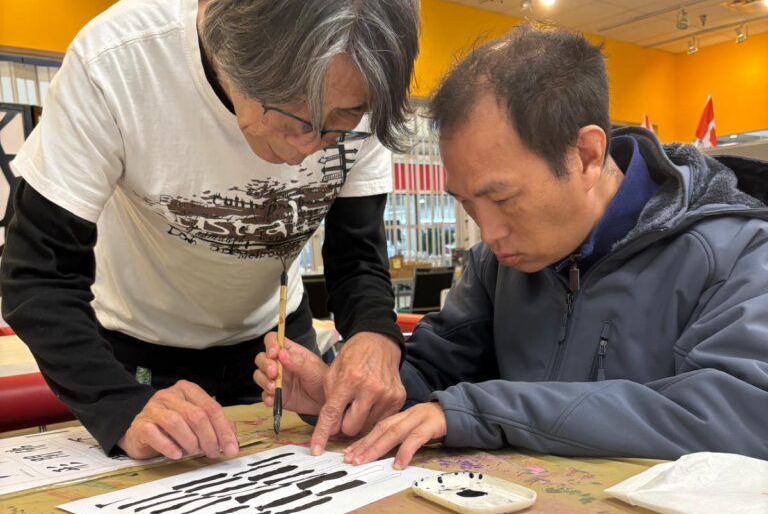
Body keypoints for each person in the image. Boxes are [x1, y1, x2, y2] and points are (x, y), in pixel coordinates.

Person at [1, 0, 419, 461]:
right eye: (295, 118)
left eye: (339, 125)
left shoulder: (358, 88)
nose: (307, 152)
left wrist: (374, 334)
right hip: (134, 349)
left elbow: (357, 255)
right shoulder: (119, 62)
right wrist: (118, 405)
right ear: (233, 51)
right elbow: (36, 275)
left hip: (277, 342)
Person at [256, 24, 768, 464]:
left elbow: (739, 412)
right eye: (468, 205)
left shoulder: (738, 250)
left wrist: (485, 412)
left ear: (587, 155)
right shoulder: (497, 265)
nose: (487, 233)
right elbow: (432, 374)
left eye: (502, 198)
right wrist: (348, 394)